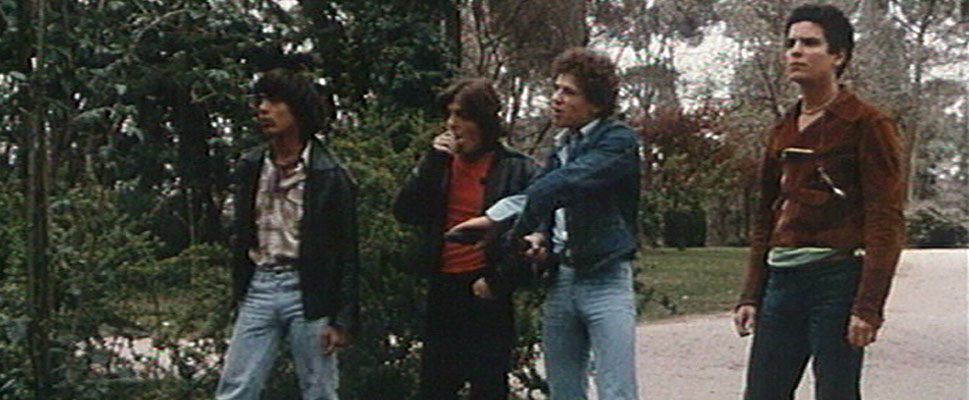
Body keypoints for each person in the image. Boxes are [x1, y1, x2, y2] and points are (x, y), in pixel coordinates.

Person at [732, 4, 905, 399]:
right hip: (781, 280)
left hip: (836, 280)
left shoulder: (866, 124)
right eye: (790, 43)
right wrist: (751, 294)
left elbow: (885, 219)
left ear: (838, 56)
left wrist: (868, 306)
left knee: (836, 392)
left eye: (810, 43)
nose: (796, 51)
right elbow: (765, 215)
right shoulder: (783, 127)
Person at [469, 47, 641, 400]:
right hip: (560, 281)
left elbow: (559, 186)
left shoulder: (618, 141)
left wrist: (509, 233)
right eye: (556, 89)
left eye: (568, 92)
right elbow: (546, 201)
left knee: (616, 390)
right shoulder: (561, 146)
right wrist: (537, 237)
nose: (556, 99)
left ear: (595, 103)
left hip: (605, 280)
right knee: (563, 390)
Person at [216, 68, 359, 400]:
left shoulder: (330, 174)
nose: (263, 109)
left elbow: (347, 252)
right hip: (260, 284)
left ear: (298, 109)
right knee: (236, 388)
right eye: (261, 100)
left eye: (275, 101)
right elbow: (241, 233)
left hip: (309, 290)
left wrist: (342, 319)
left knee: (319, 390)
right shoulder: (252, 165)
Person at [392, 78, 536, 399]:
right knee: (435, 387)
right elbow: (406, 212)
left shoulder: (517, 168)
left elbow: (532, 237)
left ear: (484, 122)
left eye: (462, 115)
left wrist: (500, 280)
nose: (452, 124)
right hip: (444, 288)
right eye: (449, 115)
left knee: (488, 387)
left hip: (487, 289)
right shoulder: (440, 165)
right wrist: (431, 163)